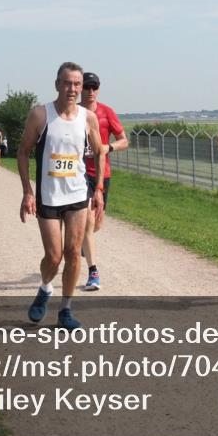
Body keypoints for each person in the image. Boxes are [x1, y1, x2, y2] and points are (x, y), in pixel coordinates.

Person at [19, 62, 105, 329]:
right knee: (54, 256)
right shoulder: (40, 115)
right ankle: (45, 289)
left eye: (77, 84)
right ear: (57, 84)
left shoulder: (86, 117)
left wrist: (98, 190)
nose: (73, 89)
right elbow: (23, 152)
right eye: (67, 83)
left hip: (78, 194)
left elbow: (100, 151)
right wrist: (27, 192)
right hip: (49, 196)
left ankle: (66, 309)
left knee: (72, 253)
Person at [80, 72, 128, 291]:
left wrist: (107, 148)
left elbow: (124, 140)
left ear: (98, 89)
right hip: (78, 174)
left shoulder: (107, 112)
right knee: (89, 222)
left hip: (102, 173)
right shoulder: (74, 113)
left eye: (94, 87)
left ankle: (83, 241)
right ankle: (93, 272)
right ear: (81, 88)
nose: (90, 91)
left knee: (97, 223)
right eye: (87, 87)